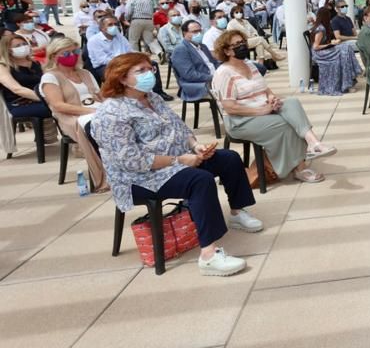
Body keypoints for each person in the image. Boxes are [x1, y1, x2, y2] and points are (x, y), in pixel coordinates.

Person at [90, 52, 260, 277]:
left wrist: (195, 145)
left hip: (176, 160)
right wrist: (179, 160)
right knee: (199, 180)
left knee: (228, 159)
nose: (148, 74)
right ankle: (209, 256)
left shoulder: (152, 98)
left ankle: (238, 212)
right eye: (139, 71)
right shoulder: (111, 113)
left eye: (149, 68)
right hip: (139, 177)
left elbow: (178, 128)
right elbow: (132, 160)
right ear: (121, 78)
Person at [212, 31, 334, 182]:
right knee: (285, 124)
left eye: (243, 42)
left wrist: (272, 98)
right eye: (236, 44)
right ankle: (299, 169)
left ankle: (313, 143)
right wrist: (262, 110)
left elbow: (264, 89)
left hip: (263, 109)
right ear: (226, 50)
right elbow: (230, 108)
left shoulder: (250, 65)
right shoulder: (223, 73)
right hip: (240, 120)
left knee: (292, 102)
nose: (242, 45)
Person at [38, 37, 107, 191]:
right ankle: (105, 175)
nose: (72, 55)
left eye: (75, 51)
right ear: (54, 56)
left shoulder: (85, 73)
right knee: (97, 124)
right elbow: (59, 106)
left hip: (95, 109)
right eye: (66, 53)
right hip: (71, 116)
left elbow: (99, 95)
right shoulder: (50, 77)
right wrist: (93, 111)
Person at [86, 15, 173, 100]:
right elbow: (102, 60)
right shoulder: (94, 41)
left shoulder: (119, 37)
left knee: (151, 64)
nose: (114, 26)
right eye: (110, 25)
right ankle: (126, 98)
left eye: (116, 24)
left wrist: (140, 54)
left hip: (125, 62)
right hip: (107, 66)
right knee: (127, 72)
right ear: (102, 28)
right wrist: (126, 61)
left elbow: (129, 51)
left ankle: (158, 92)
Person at [0, 35, 52, 127]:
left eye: (24, 44)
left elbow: (49, 81)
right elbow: (17, 89)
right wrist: (45, 98)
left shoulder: (36, 63)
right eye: (17, 46)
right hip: (20, 104)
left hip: (42, 98)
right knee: (57, 107)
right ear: (8, 50)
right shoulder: (3, 67)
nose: (23, 47)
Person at [310, 7, 359, 95]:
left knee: (347, 48)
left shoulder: (323, 27)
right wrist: (330, 45)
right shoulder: (320, 29)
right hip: (320, 53)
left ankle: (349, 80)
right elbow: (316, 47)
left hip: (324, 50)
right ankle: (348, 81)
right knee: (344, 52)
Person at [171, 21, 220, 102]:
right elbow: (189, 75)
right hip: (198, 84)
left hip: (215, 78)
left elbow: (214, 62)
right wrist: (213, 77)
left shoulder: (203, 46)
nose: (199, 34)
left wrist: (222, 72)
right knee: (229, 91)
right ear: (185, 33)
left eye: (200, 31)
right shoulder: (181, 49)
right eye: (195, 32)